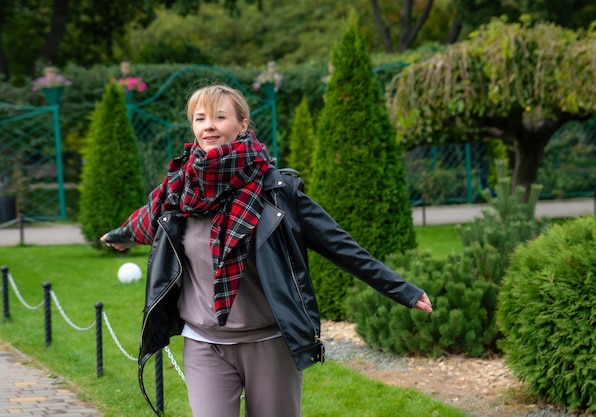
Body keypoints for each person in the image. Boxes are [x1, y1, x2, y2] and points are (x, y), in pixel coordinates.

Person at [101, 84, 433, 417]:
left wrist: (402, 290)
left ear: (242, 124)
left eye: (219, 117)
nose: (208, 126)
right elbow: (149, 219)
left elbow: (340, 246)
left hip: (270, 343)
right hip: (204, 343)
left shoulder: (277, 191)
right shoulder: (179, 189)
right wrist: (123, 235)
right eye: (200, 118)